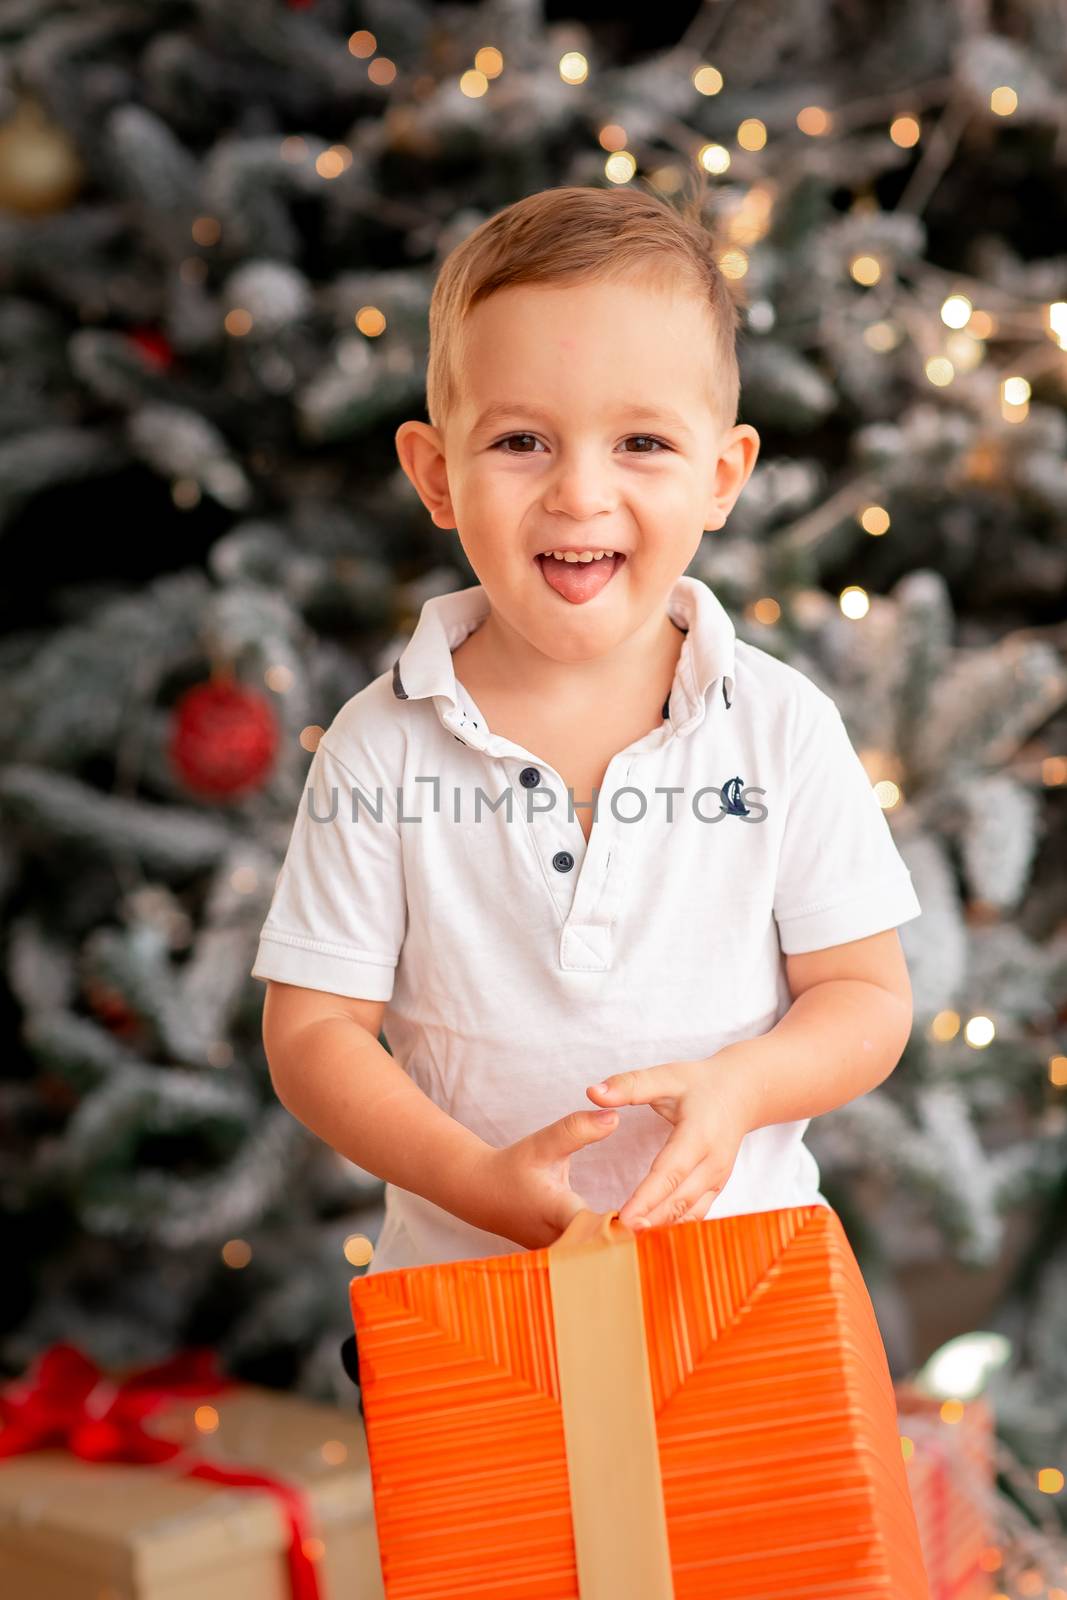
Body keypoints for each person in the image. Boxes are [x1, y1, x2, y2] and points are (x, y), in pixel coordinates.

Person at [251, 183, 921, 1295]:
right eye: (521, 440)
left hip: (738, 1292)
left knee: (755, 1481)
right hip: (475, 1307)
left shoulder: (778, 726)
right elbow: (313, 1033)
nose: (579, 492)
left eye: (640, 442)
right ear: (434, 474)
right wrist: (474, 1179)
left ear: (719, 478)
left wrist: (745, 1085)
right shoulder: (378, 748)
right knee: (495, 1486)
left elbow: (866, 996)